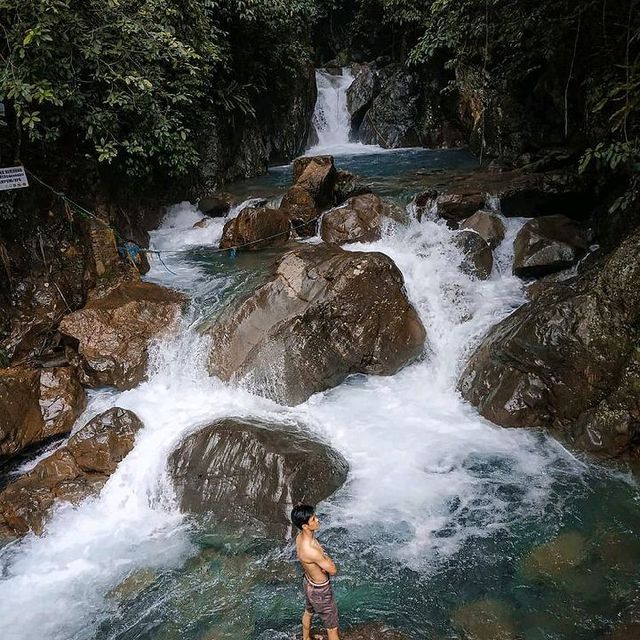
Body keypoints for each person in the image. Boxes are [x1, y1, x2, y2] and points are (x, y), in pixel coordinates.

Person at [291, 504, 340, 640]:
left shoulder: (300, 538)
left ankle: (306, 638)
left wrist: (321, 561)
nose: (317, 520)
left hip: (308, 582)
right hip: (320, 590)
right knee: (332, 628)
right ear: (305, 526)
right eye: (313, 519)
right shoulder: (311, 550)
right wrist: (325, 559)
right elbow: (333, 570)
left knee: (308, 611)